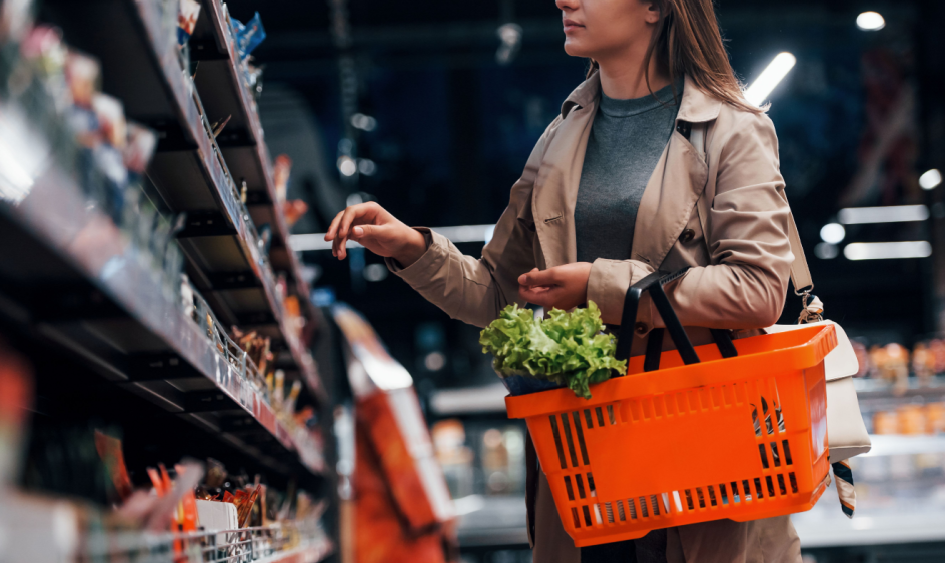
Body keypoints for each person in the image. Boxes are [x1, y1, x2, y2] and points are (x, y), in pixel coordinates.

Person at [325, 0, 801, 561]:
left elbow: (760, 289)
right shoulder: (560, 138)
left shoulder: (732, 130)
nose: (563, 1)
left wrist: (601, 285)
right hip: (588, 475)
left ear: (655, 7)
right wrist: (413, 248)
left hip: (701, 465)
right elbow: (500, 294)